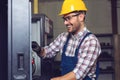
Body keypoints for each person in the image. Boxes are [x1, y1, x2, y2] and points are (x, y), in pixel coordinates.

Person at [32, 0, 101, 80]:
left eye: (68, 18)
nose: (65, 23)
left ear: (81, 17)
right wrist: (39, 50)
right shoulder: (63, 37)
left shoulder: (91, 42)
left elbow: (78, 74)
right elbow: (48, 52)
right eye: (64, 19)